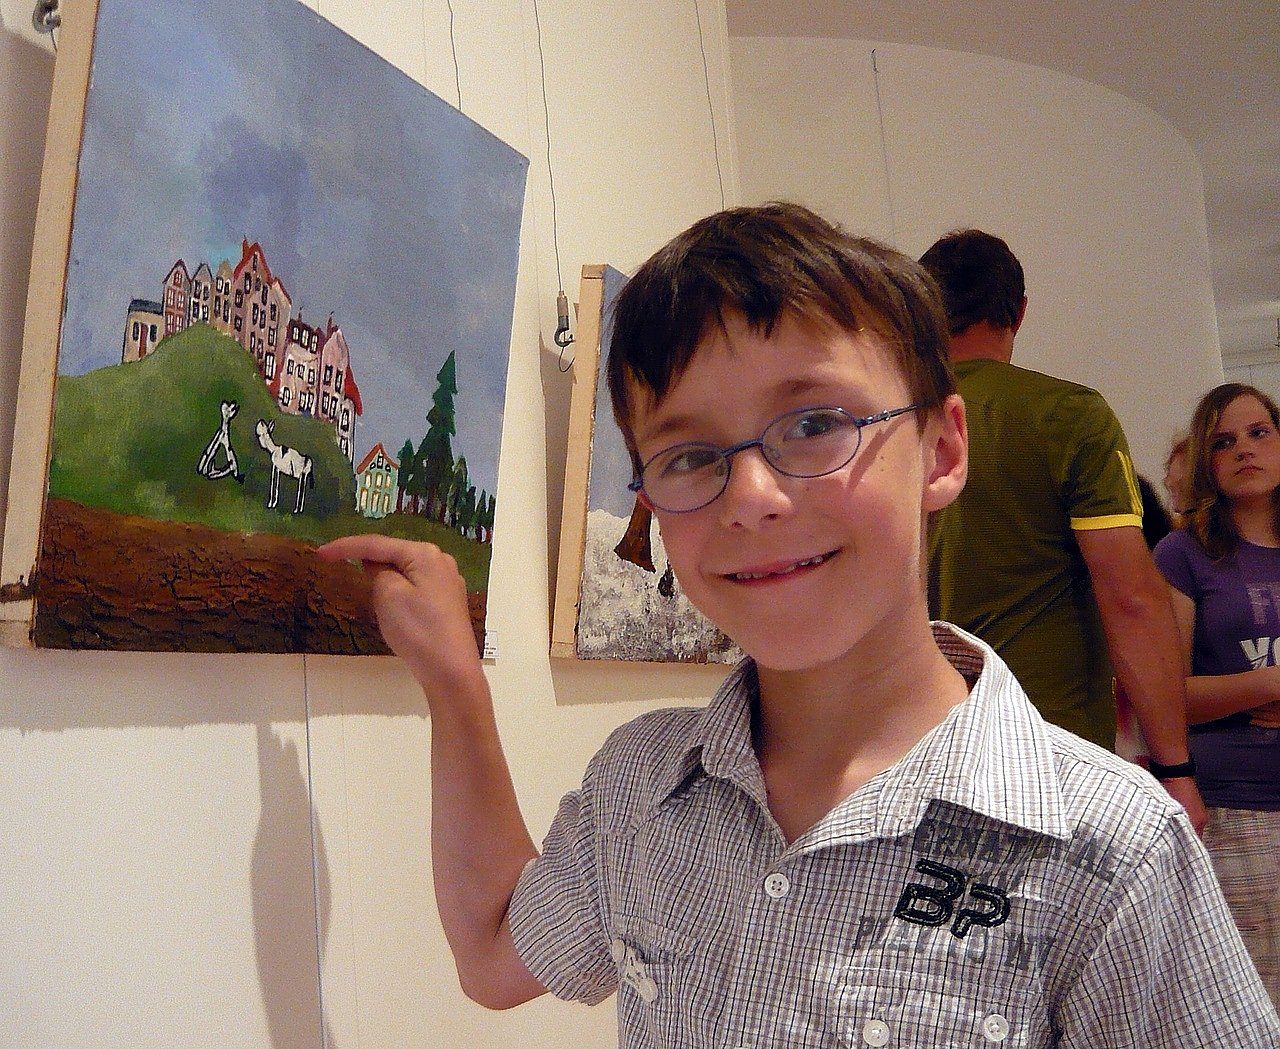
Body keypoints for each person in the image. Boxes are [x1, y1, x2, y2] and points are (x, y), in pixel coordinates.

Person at [318, 204, 1275, 1046]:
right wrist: (454, 680)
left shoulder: (1114, 850)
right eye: (689, 455)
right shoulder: (641, 788)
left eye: (815, 423)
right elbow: (495, 955)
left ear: (942, 447)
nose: (752, 495)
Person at [920, 229, 1206, 831]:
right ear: (1020, 310)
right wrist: (1175, 767)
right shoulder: (1069, 415)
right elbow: (1130, 597)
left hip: (920, 743)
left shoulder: (889, 427)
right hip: (1051, 748)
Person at [1153, 382, 1280, 1010]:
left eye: (1259, 433)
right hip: (1239, 802)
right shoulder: (1184, 553)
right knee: (1253, 1002)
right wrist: (1267, 683)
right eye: (1224, 441)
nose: (1245, 450)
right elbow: (1164, 695)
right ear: (1206, 460)